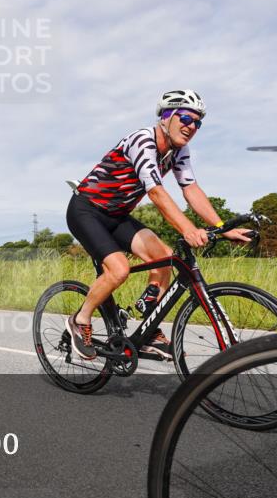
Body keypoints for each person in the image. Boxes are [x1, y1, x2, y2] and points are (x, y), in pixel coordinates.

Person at [66, 89, 253, 361]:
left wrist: (223, 226)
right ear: (166, 117)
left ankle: (149, 331)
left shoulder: (179, 151)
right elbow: (156, 193)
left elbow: (191, 188)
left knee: (166, 257)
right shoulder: (143, 142)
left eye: (197, 123)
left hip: (117, 216)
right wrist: (188, 229)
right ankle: (80, 319)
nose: (191, 127)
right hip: (87, 210)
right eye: (186, 118)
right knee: (119, 269)